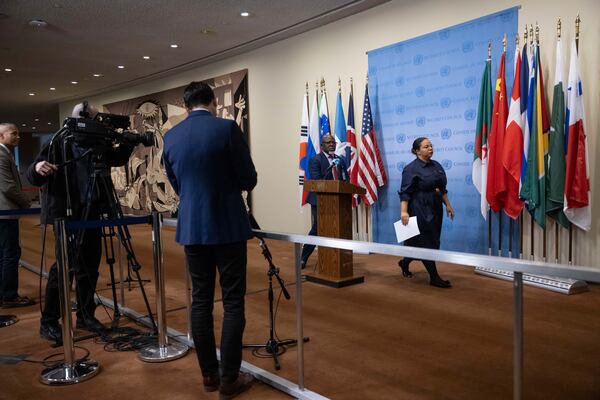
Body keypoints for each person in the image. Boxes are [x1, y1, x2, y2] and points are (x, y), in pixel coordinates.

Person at [162, 81, 257, 399]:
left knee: (200, 302)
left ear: (186, 105)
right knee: (233, 302)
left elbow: (176, 183)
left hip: (192, 229)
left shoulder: (171, 137)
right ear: (213, 101)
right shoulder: (227, 129)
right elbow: (248, 178)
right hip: (228, 226)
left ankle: (209, 377)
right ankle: (230, 379)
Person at [26, 103, 134, 343]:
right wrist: (37, 167)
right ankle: (49, 321)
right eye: (91, 119)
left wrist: (128, 142)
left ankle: (86, 315)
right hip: (67, 216)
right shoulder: (59, 142)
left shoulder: (98, 142)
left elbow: (115, 159)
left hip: (93, 213)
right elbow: (31, 174)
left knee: (90, 267)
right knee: (65, 269)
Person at [398, 137, 454, 288]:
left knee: (428, 241)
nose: (430, 148)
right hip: (419, 208)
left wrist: (448, 205)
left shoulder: (437, 166)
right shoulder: (410, 169)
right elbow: (405, 193)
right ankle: (434, 277)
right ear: (417, 151)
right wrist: (404, 212)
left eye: (431, 146)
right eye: (426, 146)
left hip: (435, 208)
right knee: (425, 242)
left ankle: (404, 262)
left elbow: (441, 189)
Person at [300, 134, 349, 269]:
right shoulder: (315, 160)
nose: (332, 144)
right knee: (317, 229)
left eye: (333, 142)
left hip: (338, 200)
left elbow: (345, 180)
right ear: (322, 146)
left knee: (338, 228)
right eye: (328, 143)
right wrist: (330, 168)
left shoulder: (340, 160)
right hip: (320, 200)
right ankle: (303, 258)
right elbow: (317, 181)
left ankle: (337, 260)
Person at [0, 123, 34, 308]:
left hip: (4, 213)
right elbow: (8, 187)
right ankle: (9, 296)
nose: (18, 136)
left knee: (4, 254)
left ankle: (4, 294)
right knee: (10, 254)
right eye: (14, 133)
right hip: (5, 214)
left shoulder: (6, 153)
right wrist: (26, 203)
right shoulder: (1, 154)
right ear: (1, 136)